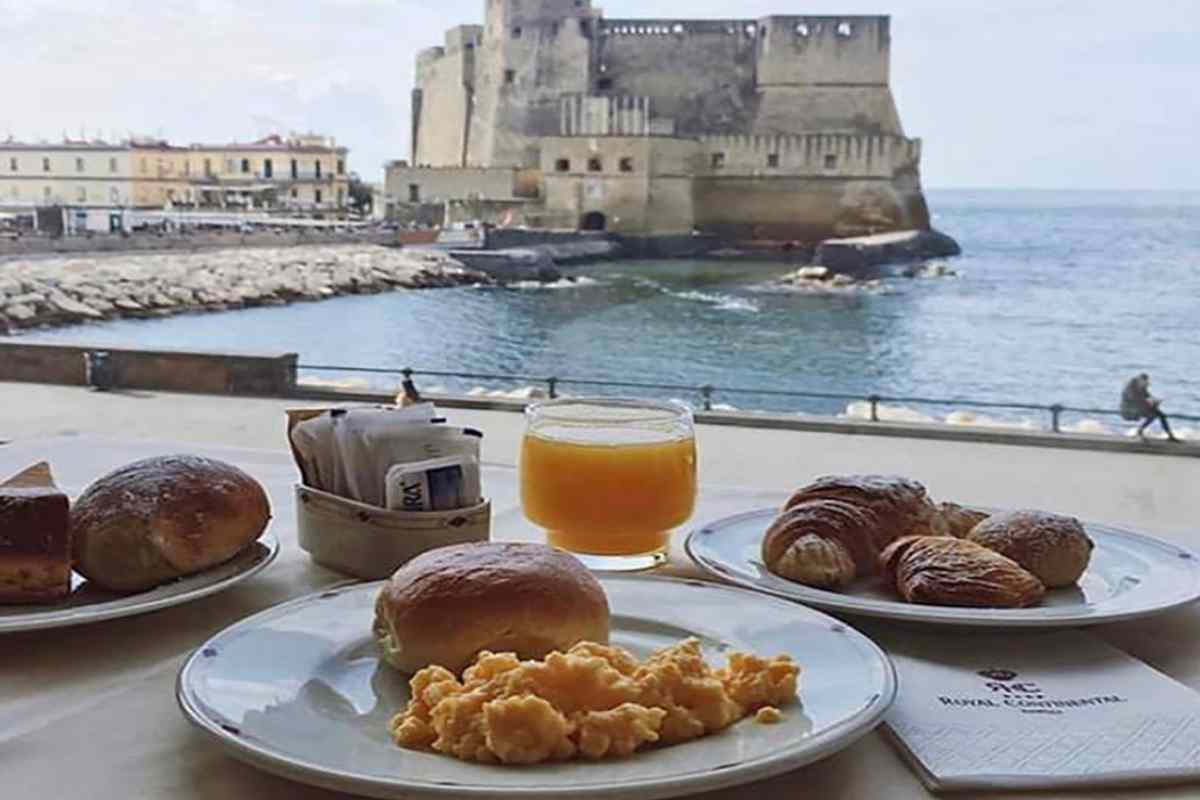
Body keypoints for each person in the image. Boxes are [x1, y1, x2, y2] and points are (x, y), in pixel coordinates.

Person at [1120, 373, 1180, 442]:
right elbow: (1136, 400)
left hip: (1139, 406)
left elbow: (1147, 397)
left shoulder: (1141, 386)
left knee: (1162, 415)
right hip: (1129, 408)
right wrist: (1149, 403)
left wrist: (1155, 402)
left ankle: (1170, 436)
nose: (1145, 385)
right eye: (1143, 383)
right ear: (1139, 380)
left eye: (1146, 383)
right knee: (1152, 416)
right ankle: (1139, 431)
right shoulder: (1130, 388)